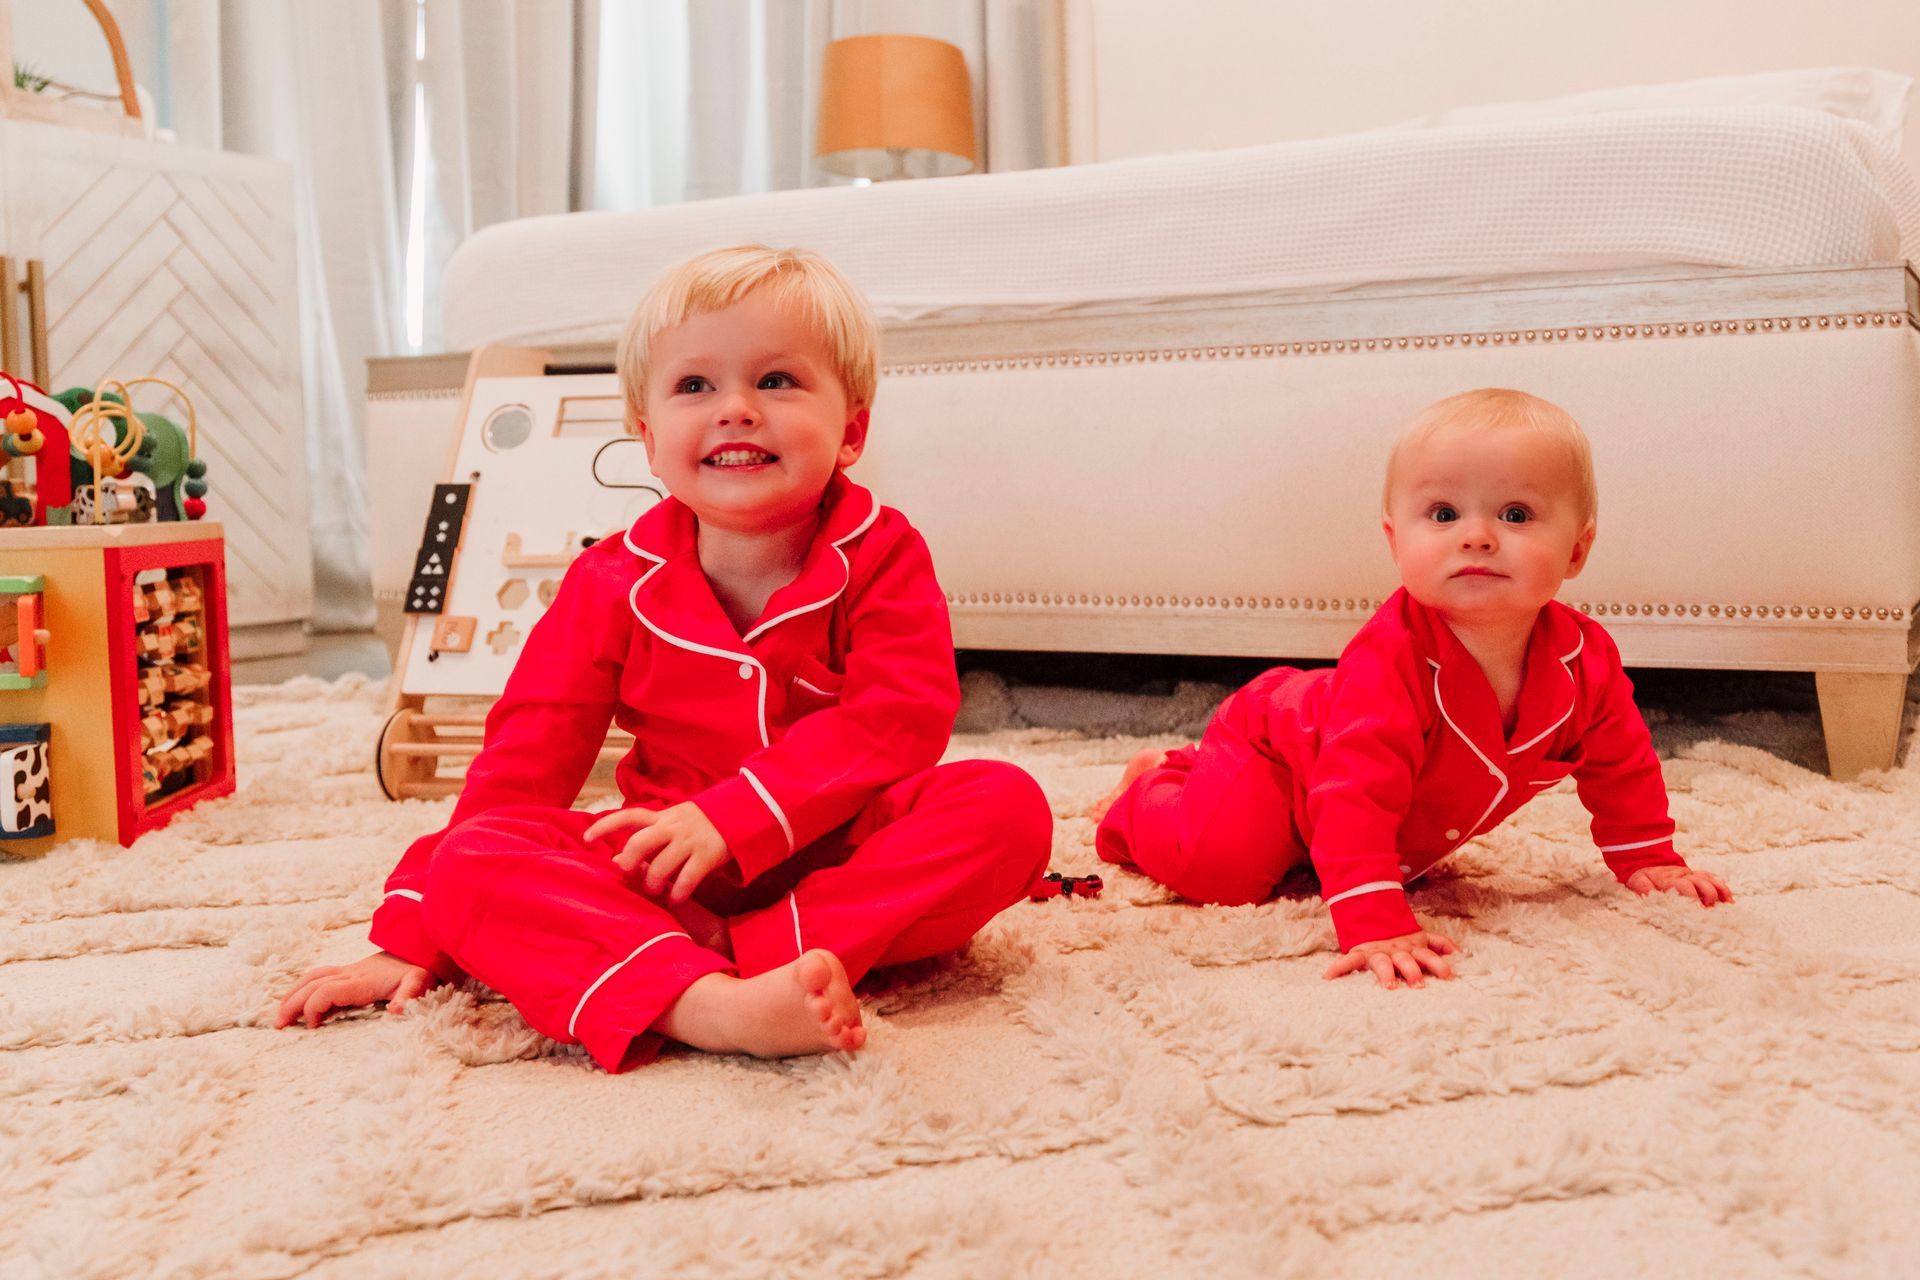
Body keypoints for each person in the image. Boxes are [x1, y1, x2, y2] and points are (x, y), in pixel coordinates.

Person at [277, 245, 1052, 1066]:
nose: (736, 410)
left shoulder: (886, 554)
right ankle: (711, 1005)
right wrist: (415, 940)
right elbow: (526, 756)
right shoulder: (609, 579)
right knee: (468, 859)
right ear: (649, 441)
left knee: (1006, 807)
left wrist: (737, 815)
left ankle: (741, 959)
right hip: (663, 872)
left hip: (846, 861)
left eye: (777, 381)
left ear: (851, 431)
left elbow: (901, 718)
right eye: (695, 387)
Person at [1093, 388, 1732, 989]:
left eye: (1516, 514)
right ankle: (1146, 792)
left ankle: (1192, 780)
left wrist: (1649, 856)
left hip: (1344, 789)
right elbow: (1356, 794)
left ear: (1576, 552)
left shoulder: (1585, 658)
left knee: (1315, 863)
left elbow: (1622, 762)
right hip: (1284, 754)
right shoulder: (1389, 659)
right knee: (1223, 872)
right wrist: (1375, 922)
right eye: (1444, 514)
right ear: (1396, 541)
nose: (1477, 536)